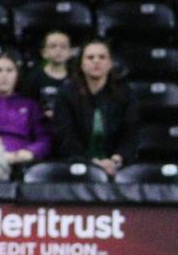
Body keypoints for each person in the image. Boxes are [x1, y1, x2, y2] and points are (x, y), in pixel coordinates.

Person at [52, 40, 140, 176]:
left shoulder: (125, 94)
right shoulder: (66, 93)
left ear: (110, 63)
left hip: (116, 166)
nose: (96, 61)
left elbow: (131, 133)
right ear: (81, 64)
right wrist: (91, 162)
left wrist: (116, 159)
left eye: (102, 57)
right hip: (76, 165)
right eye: (90, 57)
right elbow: (65, 138)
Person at [0, 54, 51, 169]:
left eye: (9, 70)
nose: (4, 75)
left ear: (17, 75)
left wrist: (30, 152)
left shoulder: (30, 105)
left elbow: (44, 139)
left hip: (22, 162)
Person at [21, 29, 75, 125]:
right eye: (53, 46)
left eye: (63, 47)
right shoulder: (33, 78)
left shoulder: (76, 79)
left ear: (70, 52)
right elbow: (27, 109)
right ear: (44, 53)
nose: (58, 50)